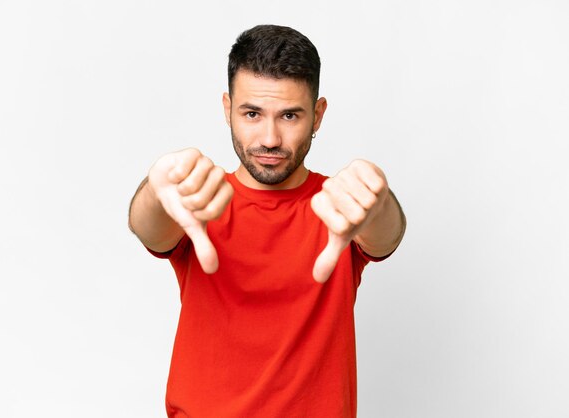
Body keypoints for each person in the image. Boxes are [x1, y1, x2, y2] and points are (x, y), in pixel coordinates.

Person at [128, 24, 406, 418]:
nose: (270, 138)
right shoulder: (200, 197)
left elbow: (386, 235)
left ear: (318, 114)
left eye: (290, 115)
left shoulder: (340, 204)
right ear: (227, 109)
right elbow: (148, 227)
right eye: (252, 114)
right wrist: (155, 191)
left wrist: (378, 203)